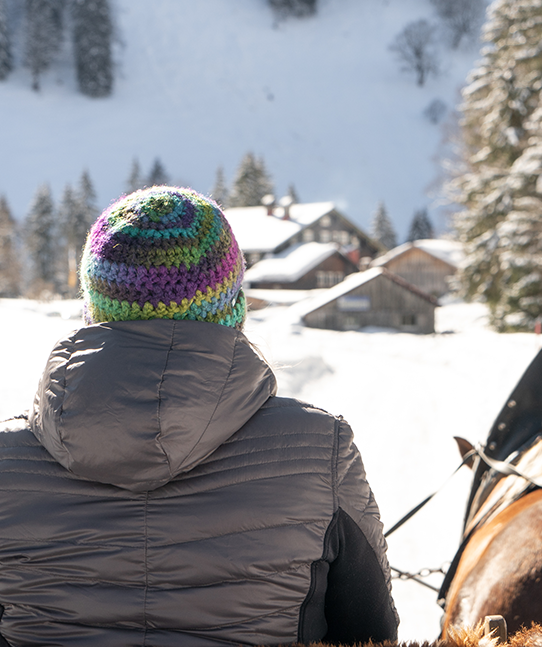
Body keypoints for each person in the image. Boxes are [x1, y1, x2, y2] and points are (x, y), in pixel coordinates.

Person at [0, 187, 398, 646]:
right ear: (233, 306)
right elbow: (371, 635)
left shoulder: (8, 460)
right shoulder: (320, 446)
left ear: (93, 307)